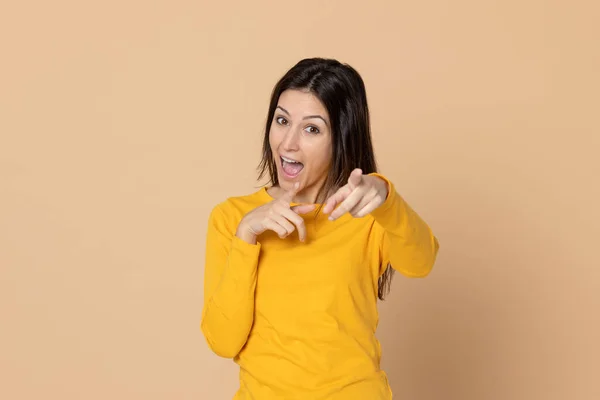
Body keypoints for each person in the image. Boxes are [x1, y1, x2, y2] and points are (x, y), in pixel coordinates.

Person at [200, 57, 440, 399]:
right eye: (282, 121)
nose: (288, 144)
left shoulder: (367, 213)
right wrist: (246, 236)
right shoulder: (232, 218)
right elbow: (223, 340)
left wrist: (387, 198)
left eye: (311, 128)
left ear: (340, 137)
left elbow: (422, 261)